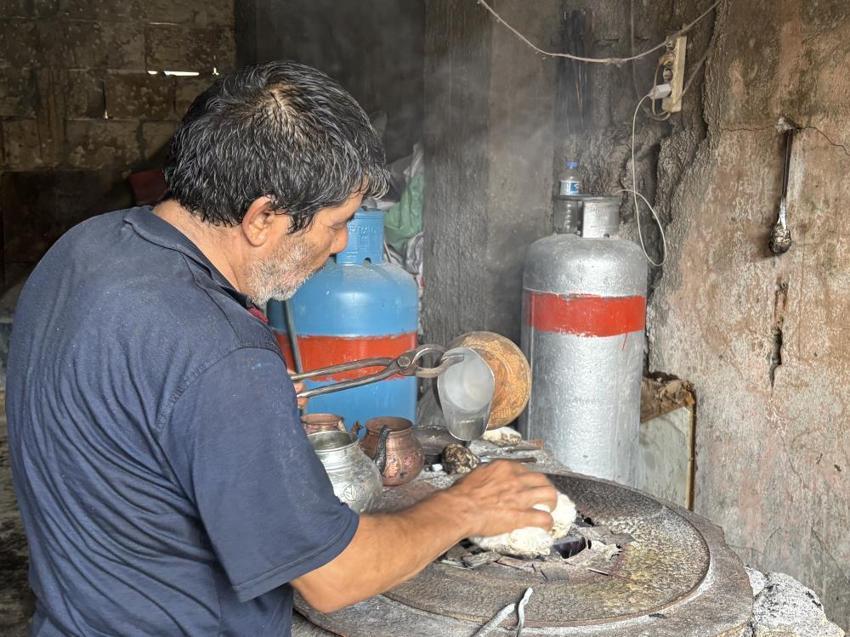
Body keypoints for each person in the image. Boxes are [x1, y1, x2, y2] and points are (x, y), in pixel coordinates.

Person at [6, 60, 556, 636]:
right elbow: (333, 577)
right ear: (262, 216)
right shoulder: (221, 355)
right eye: (335, 223)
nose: (342, 243)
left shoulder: (83, 246)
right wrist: (464, 506)